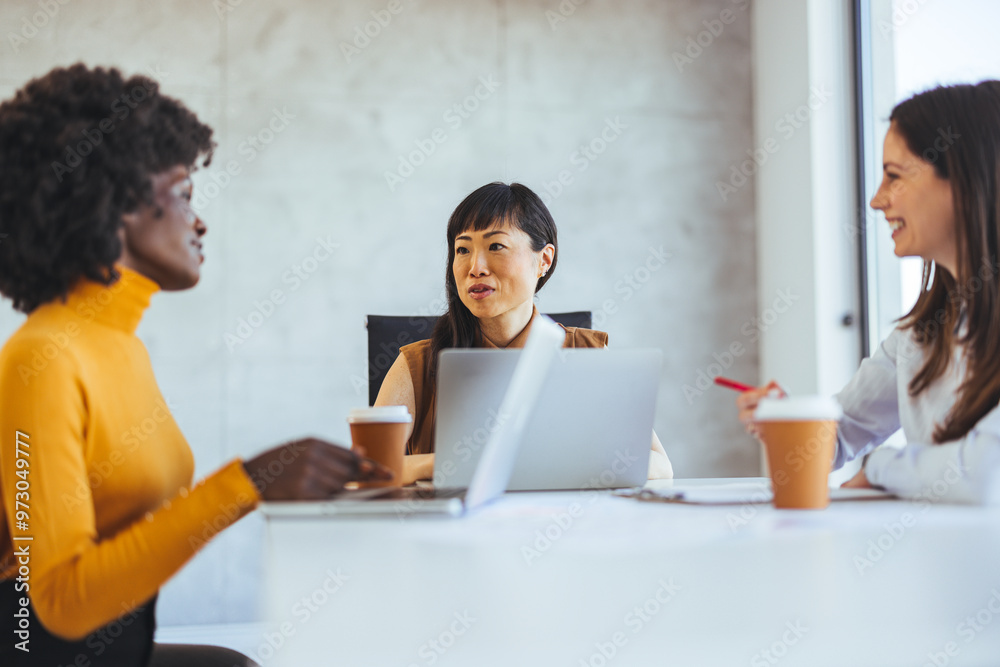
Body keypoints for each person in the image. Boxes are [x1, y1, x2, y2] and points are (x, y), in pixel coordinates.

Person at [0, 64, 390, 667]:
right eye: (183, 194)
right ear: (117, 203)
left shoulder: (119, 345)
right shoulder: (41, 359)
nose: (200, 220)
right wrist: (247, 484)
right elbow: (59, 602)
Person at [737, 81, 1000, 504]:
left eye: (894, 176)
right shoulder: (921, 335)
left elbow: (987, 473)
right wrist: (792, 419)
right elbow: (840, 435)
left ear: (966, 181)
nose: (877, 201)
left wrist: (880, 467)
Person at [375, 182, 674, 484]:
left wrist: (553, 463)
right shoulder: (417, 365)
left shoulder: (587, 354)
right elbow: (368, 470)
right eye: (462, 249)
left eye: (496, 246)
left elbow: (660, 465)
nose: (475, 267)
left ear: (544, 260)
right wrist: (446, 464)